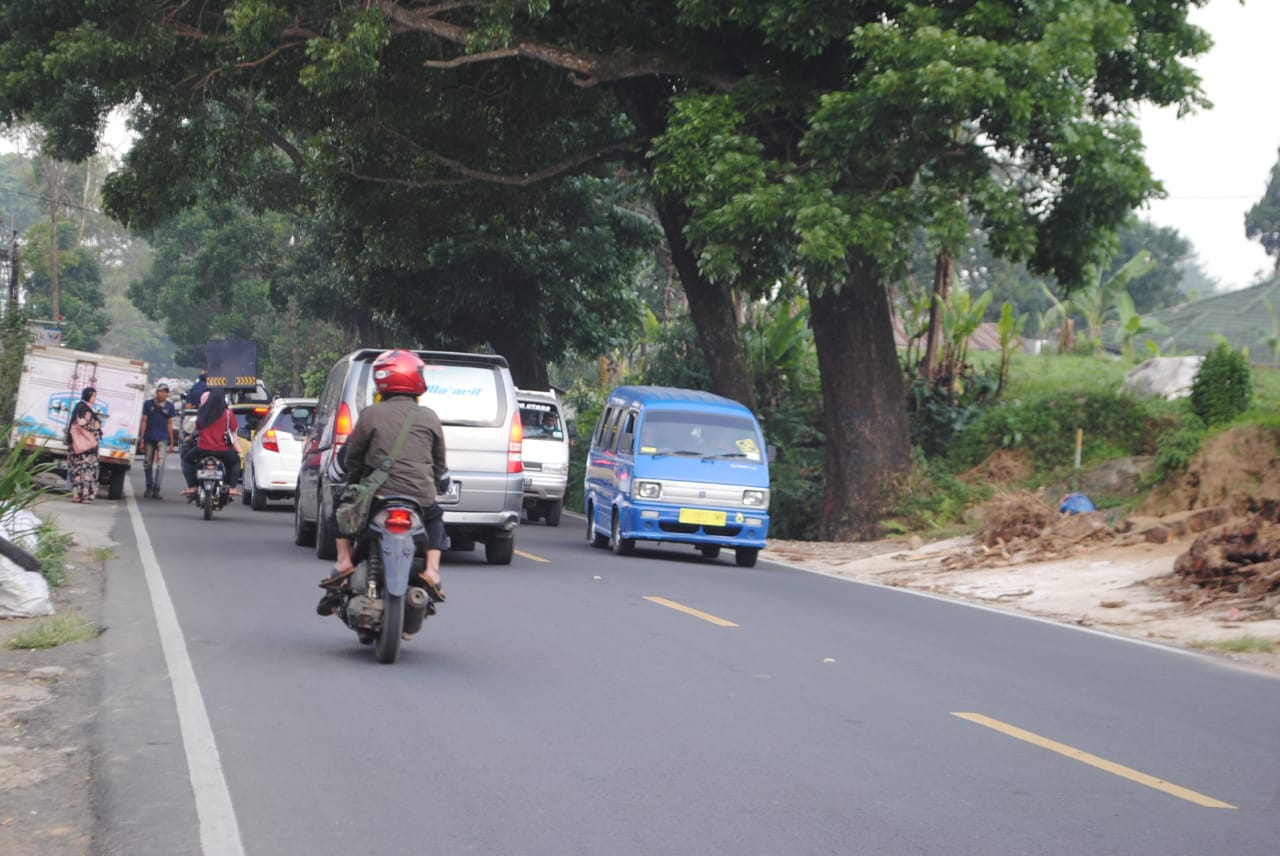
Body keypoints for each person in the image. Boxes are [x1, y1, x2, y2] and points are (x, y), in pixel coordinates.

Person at [320, 350, 448, 605]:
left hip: (378, 496)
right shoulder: (430, 417)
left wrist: (349, 482)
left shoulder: (370, 415)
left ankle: (344, 560)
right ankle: (432, 570)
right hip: (420, 498)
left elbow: (352, 459)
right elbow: (439, 464)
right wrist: (437, 483)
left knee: (340, 507)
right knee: (435, 516)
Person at [180, 388, 242, 497]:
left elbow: (197, 429)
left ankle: (192, 486)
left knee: (186, 460)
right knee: (236, 461)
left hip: (203, 448)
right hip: (222, 450)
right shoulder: (228, 413)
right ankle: (232, 487)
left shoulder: (203, 412)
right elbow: (233, 430)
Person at [139, 383, 177, 499]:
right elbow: (144, 421)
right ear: (157, 392)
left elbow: (170, 424)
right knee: (148, 463)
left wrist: (171, 442)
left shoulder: (170, 406)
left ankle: (156, 489)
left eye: (165, 391)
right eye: (160, 391)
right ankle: (149, 486)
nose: (162, 393)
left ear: (167, 394)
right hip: (149, 437)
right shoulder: (148, 404)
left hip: (162, 438)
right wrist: (141, 439)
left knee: (160, 465)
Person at [65, 387, 102, 503]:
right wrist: (95, 426)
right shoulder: (85, 409)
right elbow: (83, 423)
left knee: (77, 471)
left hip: (78, 447)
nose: (95, 399)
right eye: (93, 396)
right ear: (88, 396)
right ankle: (85, 496)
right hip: (86, 448)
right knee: (87, 471)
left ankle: (76, 495)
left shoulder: (79, 407)